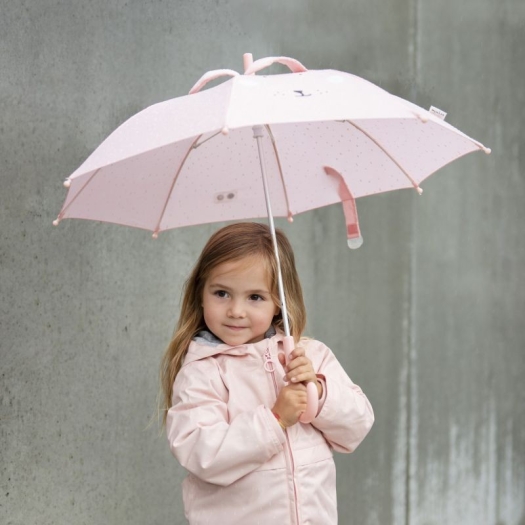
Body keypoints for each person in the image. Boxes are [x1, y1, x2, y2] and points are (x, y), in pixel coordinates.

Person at [160, 222, 374, 524]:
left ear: (278, 303)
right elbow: (202, 453)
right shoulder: (203, 371)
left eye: (255, 297)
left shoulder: (310, 355)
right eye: (221, 293)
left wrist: (319, 392)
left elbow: (358, 424)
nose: (236, 310)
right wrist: (274, 421)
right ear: (200, 293)